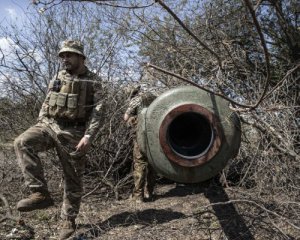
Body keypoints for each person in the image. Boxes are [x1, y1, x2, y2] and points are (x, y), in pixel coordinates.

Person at [14, 40, 105, 239]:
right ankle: (39, 193)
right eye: (62, 55)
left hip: (74, 132)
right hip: (50, 125)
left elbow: (98, 112)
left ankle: (68, 220)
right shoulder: (58, 76)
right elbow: (47, 101)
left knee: (72, 178)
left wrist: (88, 135)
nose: (65, 58)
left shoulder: (93, 81)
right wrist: (41, 122)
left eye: (69, 55)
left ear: (81, 57)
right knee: (22, 142)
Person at [123, 85, 157, 203]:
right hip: (155, 137)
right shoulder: (157, 98)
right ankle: (149, 192)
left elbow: (125, 117)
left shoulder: (136, 100)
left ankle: (138, 196)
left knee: (139, 163)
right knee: (153, 164)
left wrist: (131, 120)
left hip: (141, 137)